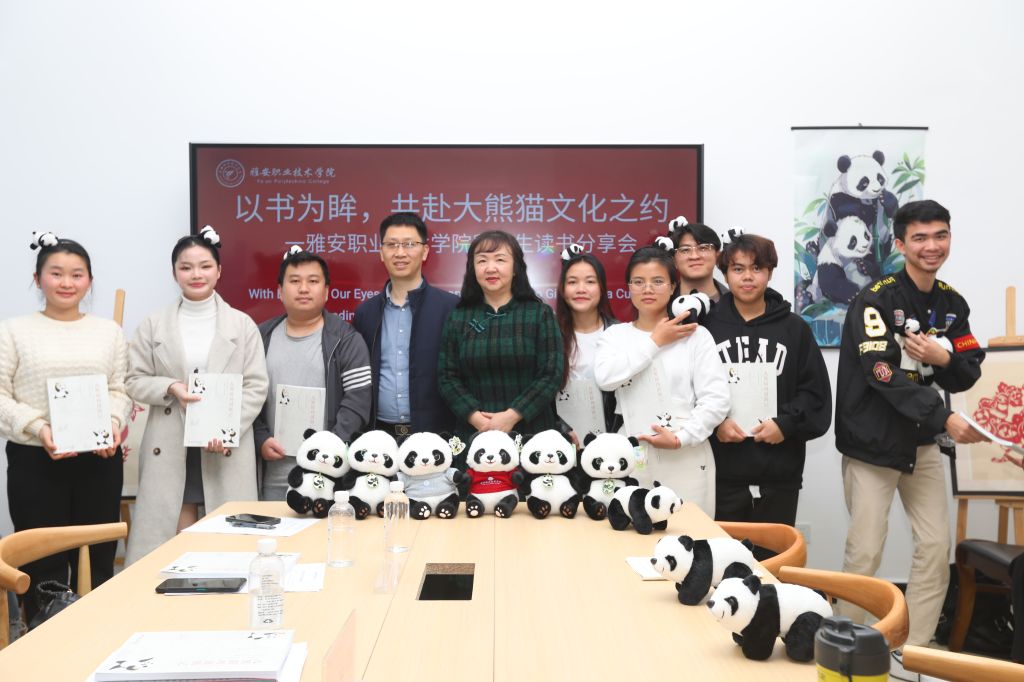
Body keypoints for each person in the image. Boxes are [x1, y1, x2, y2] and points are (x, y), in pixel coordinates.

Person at [834, 200, 986, 672]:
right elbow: (882, 372)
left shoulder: (953, 303)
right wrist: (943, 417)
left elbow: (968, 367)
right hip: (873, 444)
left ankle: (914, 651)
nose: (931, 246)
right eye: (919, 238)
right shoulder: (875, 300)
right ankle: (842, 648)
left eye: (940, 235)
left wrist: (944, 359)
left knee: (936, 548)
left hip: (922, 442)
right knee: (865, 551)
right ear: (900, 244)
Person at [0, 232, 129, 620]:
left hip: (99, 460)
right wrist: (39, 428)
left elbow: (119, 389)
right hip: (36, 461)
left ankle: (99, 635)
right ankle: (43, 637)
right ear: (37, 279)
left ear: (89, 280)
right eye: (56, 273)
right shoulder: (13, 331)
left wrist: (112, 423)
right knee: (43, 562)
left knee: (98, 558)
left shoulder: (108, 331)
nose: (67, 283)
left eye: (77, 274)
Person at [125, 226, 268, 564]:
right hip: (170, 441)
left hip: (223, 444)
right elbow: (134, 380)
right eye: (186, 267)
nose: (196, 274)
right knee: (176, 544)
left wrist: (226, 428)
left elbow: (256, 385)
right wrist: (169, 387)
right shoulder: (153, 324)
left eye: (205, 266)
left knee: (227, 543)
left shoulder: (242, 324)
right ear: (174, 272)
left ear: (219, 271)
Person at [704, 233, 831, 529]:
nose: (747, 277)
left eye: (757, 268)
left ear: (770, 273)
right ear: (725, 274)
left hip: (779, 473)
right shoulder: (706, 327)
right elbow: (689, 391)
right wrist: (715, 424)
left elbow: (815, 392)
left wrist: (786, 424)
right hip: (720, 472)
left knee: (774, 554)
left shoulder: (794, 328)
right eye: (738, 269)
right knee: (724, 553)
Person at [594, 240, 729, 515]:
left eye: (657, 281)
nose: (647, 289)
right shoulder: (615, 336)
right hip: (632, 453)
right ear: (628, 288)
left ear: (672, 287)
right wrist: (655, 341)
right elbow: (606, 378)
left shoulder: (695, 335)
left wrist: (682, 438)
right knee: (631, 532)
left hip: (686, 452)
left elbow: (716, 400)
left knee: (688, 533)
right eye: (638, 282)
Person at [254, 246, 372, 499]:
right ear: (280, 290)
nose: (304, 288)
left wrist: (327, 450)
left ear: (326, 291)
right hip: (272, 473)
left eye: (313, 281)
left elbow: (358, 402)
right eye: (295, 281)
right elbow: (248, 396)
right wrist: (260, 438)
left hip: (327, 474)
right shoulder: (259, 337)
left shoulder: (346, 340)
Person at [437, 230, 562, 444]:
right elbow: (447, 377)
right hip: (474, 434)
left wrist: (512, 415)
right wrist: (476, 418)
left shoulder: (539, 314)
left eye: (500, 259)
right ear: (473, 269)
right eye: (482, 260)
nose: (490, 268)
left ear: (516, 268)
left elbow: (551, 374)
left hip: (533, 435)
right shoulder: (458, 317)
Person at [353, 212, 458, 441]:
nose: (400, 253)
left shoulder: (451, 308)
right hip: (379, 437)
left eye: (409, 244)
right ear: (381, 253)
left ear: (425, 251)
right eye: (392, 245)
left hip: (435, 436)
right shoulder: (365, 313)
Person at [554, 244, 619, 445]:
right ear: (563, 289)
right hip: (564, 444)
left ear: (601, 288)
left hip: (612, 443)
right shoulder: (550, 334)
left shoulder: (619, 333)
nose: (581, 289)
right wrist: (561, 430)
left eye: (590, 281)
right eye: (572, 282)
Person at [669, 217, 728, 302]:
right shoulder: (661, 305)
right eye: (685, 250)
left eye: (703, 248)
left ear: (717, 256)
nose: (694, 256)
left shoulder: (737, 303)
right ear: (674, 260)